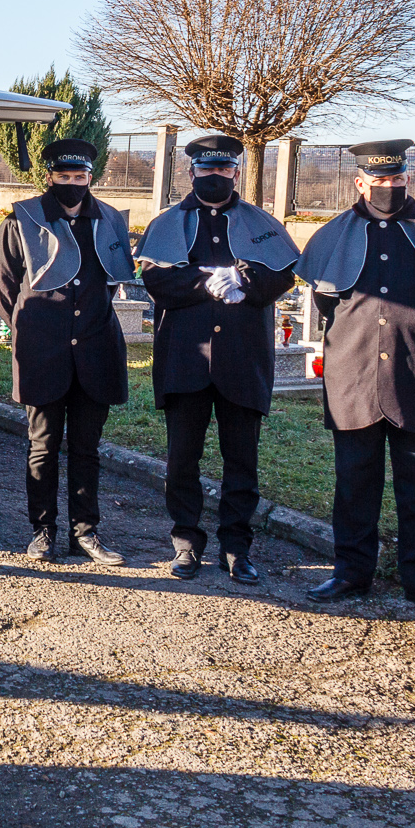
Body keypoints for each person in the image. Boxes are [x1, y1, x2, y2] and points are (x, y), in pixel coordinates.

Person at [295, 139, 415, 621]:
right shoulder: (334, 233)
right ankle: (351, 572)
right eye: (379, 180)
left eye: (397, 179)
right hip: (354, 373)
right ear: (360, 183)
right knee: (354, 480)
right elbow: (327, 303)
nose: (389, 187)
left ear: (408, 179)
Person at [137, 134, 300, 584]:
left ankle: (237, 548)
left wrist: (244, 279)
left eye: (224, 169)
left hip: (242, 358)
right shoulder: (168, 222)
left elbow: (283, 273)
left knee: (242, 461)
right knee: (181, 460)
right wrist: (204, 283)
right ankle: (186, 543)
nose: (215, 176)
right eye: (206, 169)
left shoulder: (261, 222)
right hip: (185, 360)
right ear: (191, 173)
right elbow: (156, 281)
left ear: (236, 173)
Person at [0, 138, 138, 563]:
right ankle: (43, 531)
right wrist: (34, 328)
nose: (72, 183)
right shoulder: (21, 220)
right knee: (43, 447)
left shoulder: (109, 219)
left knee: (87, 450)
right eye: (63, 175)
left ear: (91, 177)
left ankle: (85, 534)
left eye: (80, 176)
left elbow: (111, 281)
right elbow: (3, 287)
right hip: (42, 352)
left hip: (96, 350)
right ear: (49, 177)